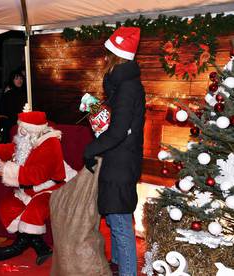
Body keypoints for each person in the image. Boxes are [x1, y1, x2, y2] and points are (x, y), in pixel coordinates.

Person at [0, 105, 76, 265]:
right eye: (20, 128)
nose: (19, 133)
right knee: (8, 205)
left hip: (52, 189)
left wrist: (6, 170)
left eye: (23, 129)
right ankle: (41, 248)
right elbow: (10, 149)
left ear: (35, 130)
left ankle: (17, 247)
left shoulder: (51, 144)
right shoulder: (27, 140)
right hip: (30, 189)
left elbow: (38, 175)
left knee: (35, 210)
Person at [83, 26, 145, 276]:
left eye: (108, 53)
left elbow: (119, 132)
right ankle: (119, 266)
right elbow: (122, 124)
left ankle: (127, 271)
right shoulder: (125, 85)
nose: (104, 58)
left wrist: (90, 149)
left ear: (117, 55)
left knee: (120, 225)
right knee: (116, 219)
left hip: (120, 163)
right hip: (120, 161)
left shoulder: (127, 87)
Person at [0, 70, 27, 142]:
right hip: (11, 124)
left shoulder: (26, 92)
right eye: (16, 78)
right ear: (12, 80)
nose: (19, 80)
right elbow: (2, 109)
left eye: (21, 78)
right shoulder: (8, 93)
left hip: (24, 124)